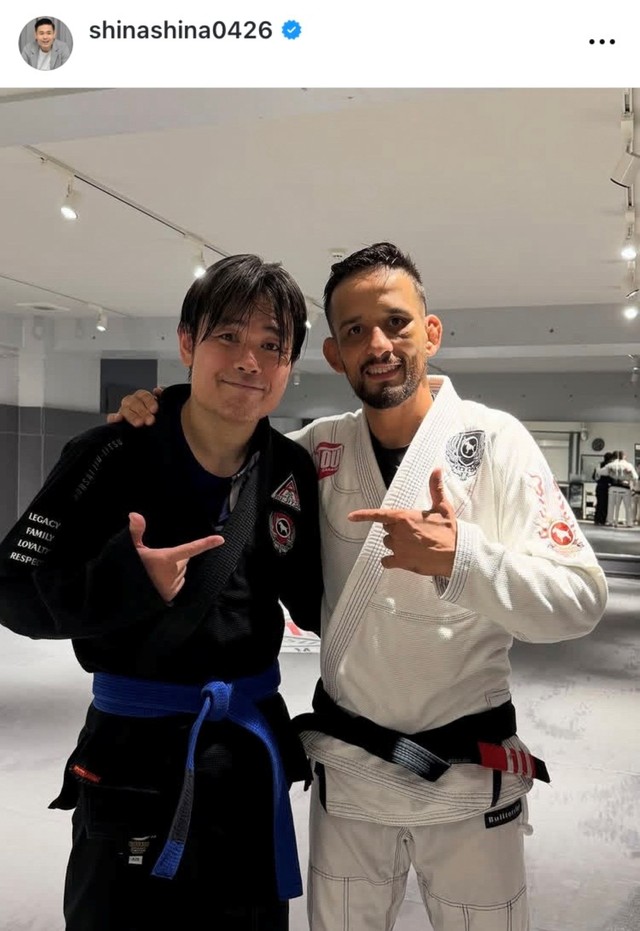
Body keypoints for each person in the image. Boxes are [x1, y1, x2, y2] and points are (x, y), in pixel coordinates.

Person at [112, 242, 608, 931]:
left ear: (430, 332)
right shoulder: (312, 451)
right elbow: (221, 435)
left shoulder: (496, 442)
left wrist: (462, 557)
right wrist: (156, 411)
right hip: (351, 775)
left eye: (396, 323)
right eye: (354, 331)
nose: (378, 344)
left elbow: (581, 598)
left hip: (468, 777)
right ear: (335, 354)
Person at [0, 254, 323, 931]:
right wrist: (123, 584)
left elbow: (317, 598)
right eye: (227, 336)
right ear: (186, 343)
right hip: (132, 758)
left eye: (272, 345)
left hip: (245, 760)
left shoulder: (289, 469)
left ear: (289, 364)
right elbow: (12, 588)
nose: (250, 361)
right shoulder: (109, 454)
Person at [605, 450, 638, 527]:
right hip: (625, 487)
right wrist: (631, 482)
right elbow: (635, 477)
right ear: (624, 456)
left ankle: (610, 521)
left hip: (613, 487)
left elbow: (605, 474)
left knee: (611, 505)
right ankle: (629, 523)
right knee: (628, 506)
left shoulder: (611, 465)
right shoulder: (628, 465)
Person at [593, 450, 615, 525]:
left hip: (599, 486)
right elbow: (612, 478)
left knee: (599, 503)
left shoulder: (599, 465)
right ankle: (602, 520)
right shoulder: (609, 466)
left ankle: (597, 519)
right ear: (610, 459)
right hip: (606, 487)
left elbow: (594, 476)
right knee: (605, 504)